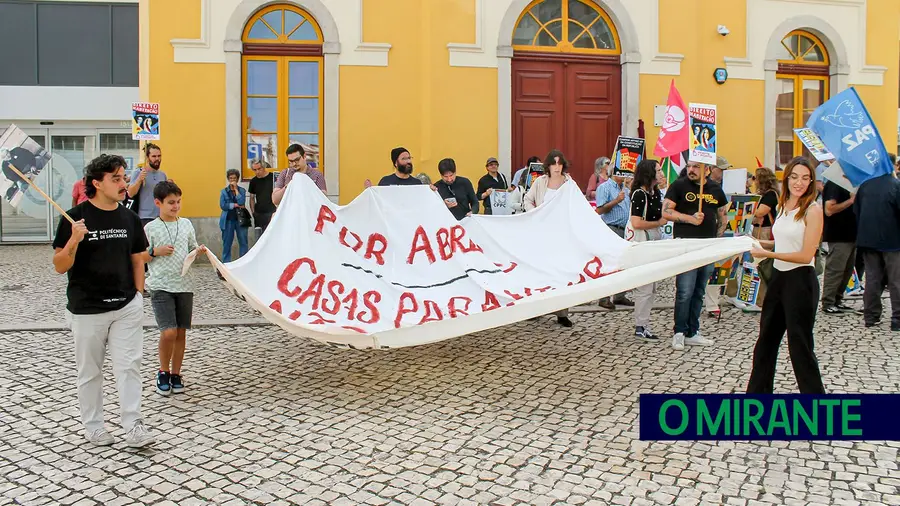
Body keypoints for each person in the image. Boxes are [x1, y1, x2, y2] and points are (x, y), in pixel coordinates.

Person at [51, 154, 155, 448]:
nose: (124, 184)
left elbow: (138, 259)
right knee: (90, 372)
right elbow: (60, 265)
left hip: (125, 306)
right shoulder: (74, 217)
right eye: (117, 178)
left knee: (129, 367)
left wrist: (138, 296)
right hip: (87, 309)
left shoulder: (129, 218)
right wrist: (74, 240)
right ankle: (94, 426)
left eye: (124, 177)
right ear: (97, 183)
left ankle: (134, 425)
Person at [747, 156, 826, 393]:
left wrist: (769, 255)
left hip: (801, 282)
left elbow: (804, 255)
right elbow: (781, 243)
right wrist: (760, 243)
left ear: (811, 181)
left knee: (800, 347)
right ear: (787, 177)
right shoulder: (782, 206)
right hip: (779, 281)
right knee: (765, 344)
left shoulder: (813, 210)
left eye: (805, 178)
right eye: (794, 177)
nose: (798, 183)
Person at [142, 181, 205, 396]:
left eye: (178, 202)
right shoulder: (150, 228)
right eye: (171, 203)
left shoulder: (186, 224)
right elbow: (139, 255)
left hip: (184, 285)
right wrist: (155, 251)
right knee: (168, 331)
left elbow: (191, 248)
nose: (176, 206)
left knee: (180, 332)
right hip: (160, 285)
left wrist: (198, 251)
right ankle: (163, 371)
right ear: (158, 203)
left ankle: (176, 373)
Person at [662, 161, 729, 350]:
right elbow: (666, 212)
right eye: (689, 166)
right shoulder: (679, 186)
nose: (691, 170)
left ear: (706, 169)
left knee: (699, 291)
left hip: (707, 247)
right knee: (685, 291)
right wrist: (690, 219)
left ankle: (693, 331)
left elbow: (722, 215)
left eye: (696, 167)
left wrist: (718, 236)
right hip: (686, 245)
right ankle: (679, 332)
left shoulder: (715, 189)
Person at [523, 149, 575, 328]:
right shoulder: (540, 182)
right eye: (554, 163)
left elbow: (577, 204)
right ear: (548, 165)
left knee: (562, 274)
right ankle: (536, 309)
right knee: (540, 273)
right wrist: (535, 214)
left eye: (560, 163)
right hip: (542, 235)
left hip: (562, 235)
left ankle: (562, 313)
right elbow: (527, 199)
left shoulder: (569, 183)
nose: (557, 167)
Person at [853, 170, 900, 330]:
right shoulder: (896, 185)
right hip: (892, 240)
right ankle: (897, 319)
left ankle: (871, 316)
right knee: (895, 280)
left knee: (872, 279)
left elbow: (857, 212)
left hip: (868, 239)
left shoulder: (865, 186)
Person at [629, 160, 667, 339]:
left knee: (651, 287)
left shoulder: (655, 193)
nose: (661, 173)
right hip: (644, 241)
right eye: (658, 170)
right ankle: (640, 325)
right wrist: (658, 223)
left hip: (653, 240)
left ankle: (644, 323)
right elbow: (636, 223)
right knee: (645, 287)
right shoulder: (639, 194)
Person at [594, 172, 634, 310]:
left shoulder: (626, 188)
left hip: (625, 229)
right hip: (611, 227)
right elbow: (599, 210)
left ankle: (619, 295)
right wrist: (616, 200)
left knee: (623, 262)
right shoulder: (604, 188)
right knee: (609, 263)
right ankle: (604, 297)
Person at [820, 177, 859, 315]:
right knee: (836, 270)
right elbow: (829, 209)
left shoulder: (853, 183)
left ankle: (837, 299)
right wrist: (850, 201)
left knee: (847, 270)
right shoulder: (835, 183)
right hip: (839, 234)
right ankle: (828, 302)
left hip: (852, 234)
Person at [703, 156, 732, 316]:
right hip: (703, 234)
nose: (724, 173)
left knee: (716, 270)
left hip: (719, 233)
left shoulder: (723, 186)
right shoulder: (705, 186)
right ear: (712, 169)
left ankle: (712, 303)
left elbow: (724, 214)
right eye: (722, 169)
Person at [127, 143, 167, 227]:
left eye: (159, 156)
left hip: (160, 217)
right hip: (144, 218)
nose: (157, 159)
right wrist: (139, 179)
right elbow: (130, 193)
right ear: (147, 158)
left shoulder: (162, 175)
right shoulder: (138, 172)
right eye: (154, 156)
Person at [219, 169, 249, 262]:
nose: (232, 180)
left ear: (237, 179)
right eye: (231, 178)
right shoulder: (223, 192)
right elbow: (223, 205)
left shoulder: (242, 191)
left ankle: (243, 263)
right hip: (228, 220)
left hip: (241, 219)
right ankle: (226, 264)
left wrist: (236, 190)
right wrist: (235, 205)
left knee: (243, 242)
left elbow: (241, 201)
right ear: (228, 179)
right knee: (227, 243)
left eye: (234, 178)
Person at [248, 159, 275, 236]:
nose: (257, 172)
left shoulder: (273, 178)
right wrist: (254, 213)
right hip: (259, 214)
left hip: (272, 212)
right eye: (254, 170)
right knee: (259, 238)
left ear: (263, 167)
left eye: (259, 169)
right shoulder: (253, 181)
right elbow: (252, 197)